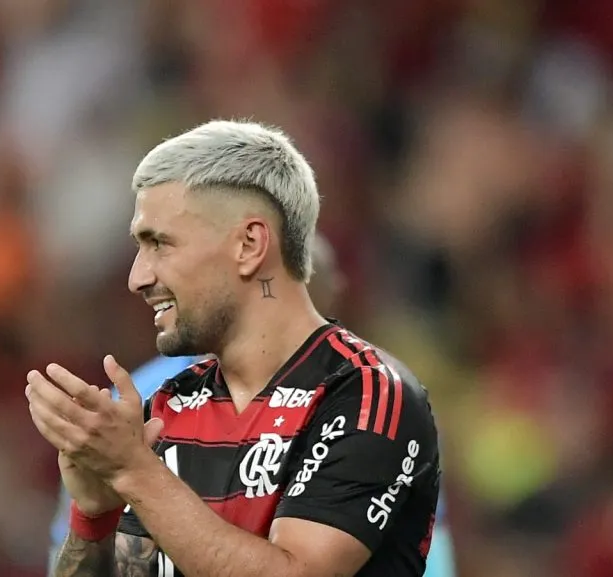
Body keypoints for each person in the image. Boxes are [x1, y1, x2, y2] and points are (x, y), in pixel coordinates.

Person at [25, 120, 441, 577]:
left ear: (249, 244)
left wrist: (133, 471)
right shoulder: (166, 408)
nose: (137, 277)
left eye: (160, 244)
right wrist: (92, 518)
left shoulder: (368, 396)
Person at [44, 236, 458, 577]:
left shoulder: (371, 402)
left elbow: (426, 554)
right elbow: (92, 549)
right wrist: (92, 517)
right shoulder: (142, 402)